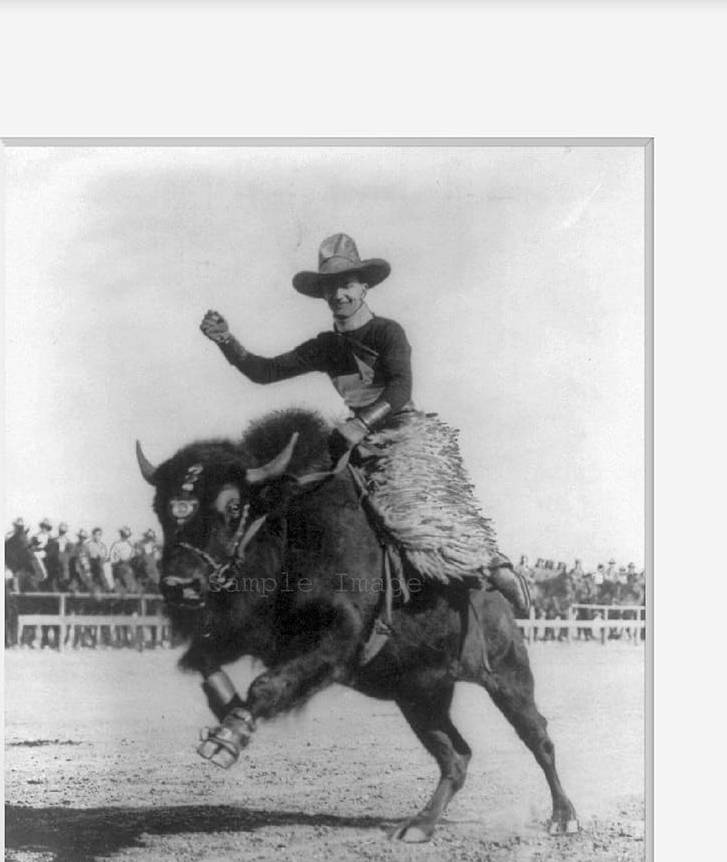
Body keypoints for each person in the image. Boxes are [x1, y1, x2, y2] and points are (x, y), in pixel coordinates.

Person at [199, 233, 528, 612]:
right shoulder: (323, 345)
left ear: (364, 287)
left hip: (401, 432)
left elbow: (401, 387)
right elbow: (265, 371)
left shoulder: (388, 332)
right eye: (330, 287)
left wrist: (362, 425)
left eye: (346, 284)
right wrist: (226, 340)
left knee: (415, 513)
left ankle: (493, 565)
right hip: (351, 438)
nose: (338, 294)